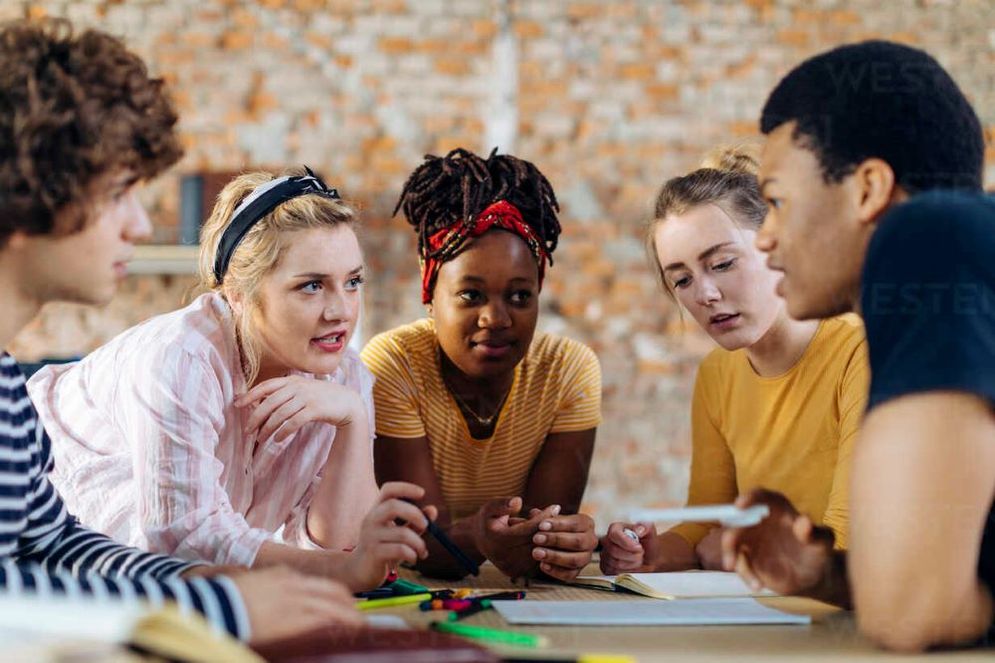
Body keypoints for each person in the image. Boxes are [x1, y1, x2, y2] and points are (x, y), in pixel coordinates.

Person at [0, 18, 363, 644]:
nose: (141, 226)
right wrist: (224, 610)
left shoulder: (6, 388)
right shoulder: (179, 355)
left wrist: (215, 587)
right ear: (28, 191)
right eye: (119, 194)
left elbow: (54, 546)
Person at [28, 168, 436, 593]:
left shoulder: (344, 375)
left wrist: (352, 418)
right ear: (237, 294)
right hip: (31, 528)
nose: (340, 311)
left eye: (352, 282)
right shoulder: (181, 358)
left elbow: (340, 546)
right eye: (312, 286)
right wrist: (343, 571)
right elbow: (183, 541)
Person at [719, 40, 994, 651]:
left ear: (869, 188)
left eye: (776, 202)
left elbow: (911, 615)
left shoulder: (926, 235)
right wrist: (831, 576)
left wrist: (901, 590)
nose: (765, 237)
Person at [600, 146, 867, 575]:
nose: (704, 294)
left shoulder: (858, 352)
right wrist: (651, 553)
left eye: (722, 263)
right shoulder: (717, 375)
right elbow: (704, 525)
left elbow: (848, 540)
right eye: (682, 280)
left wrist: (737, 546)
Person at [361, 148, 602, 581]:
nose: (496, 319)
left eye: (519, 296)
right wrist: (477, 536)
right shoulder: (395, 365)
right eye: (471, 295)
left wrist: (568, 542)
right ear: (430, 289)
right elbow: (420, 547)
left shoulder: (567, 370)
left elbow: (538, 550)